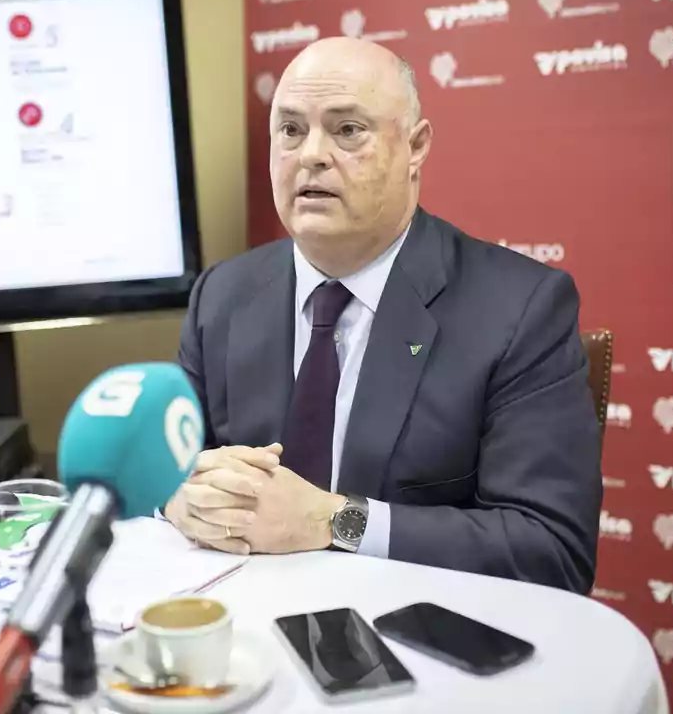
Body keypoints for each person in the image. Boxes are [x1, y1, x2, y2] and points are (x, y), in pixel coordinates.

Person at [163, 37, 602, 593]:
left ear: (416, 146)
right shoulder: (221, 294)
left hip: (418, 644)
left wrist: (334, 521)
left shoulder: (521, 309)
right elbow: (168, 472)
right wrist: (180, 499)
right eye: (291, 130)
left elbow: (551, 551)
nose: (311, 155)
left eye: (347, 130)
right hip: (244, 639)